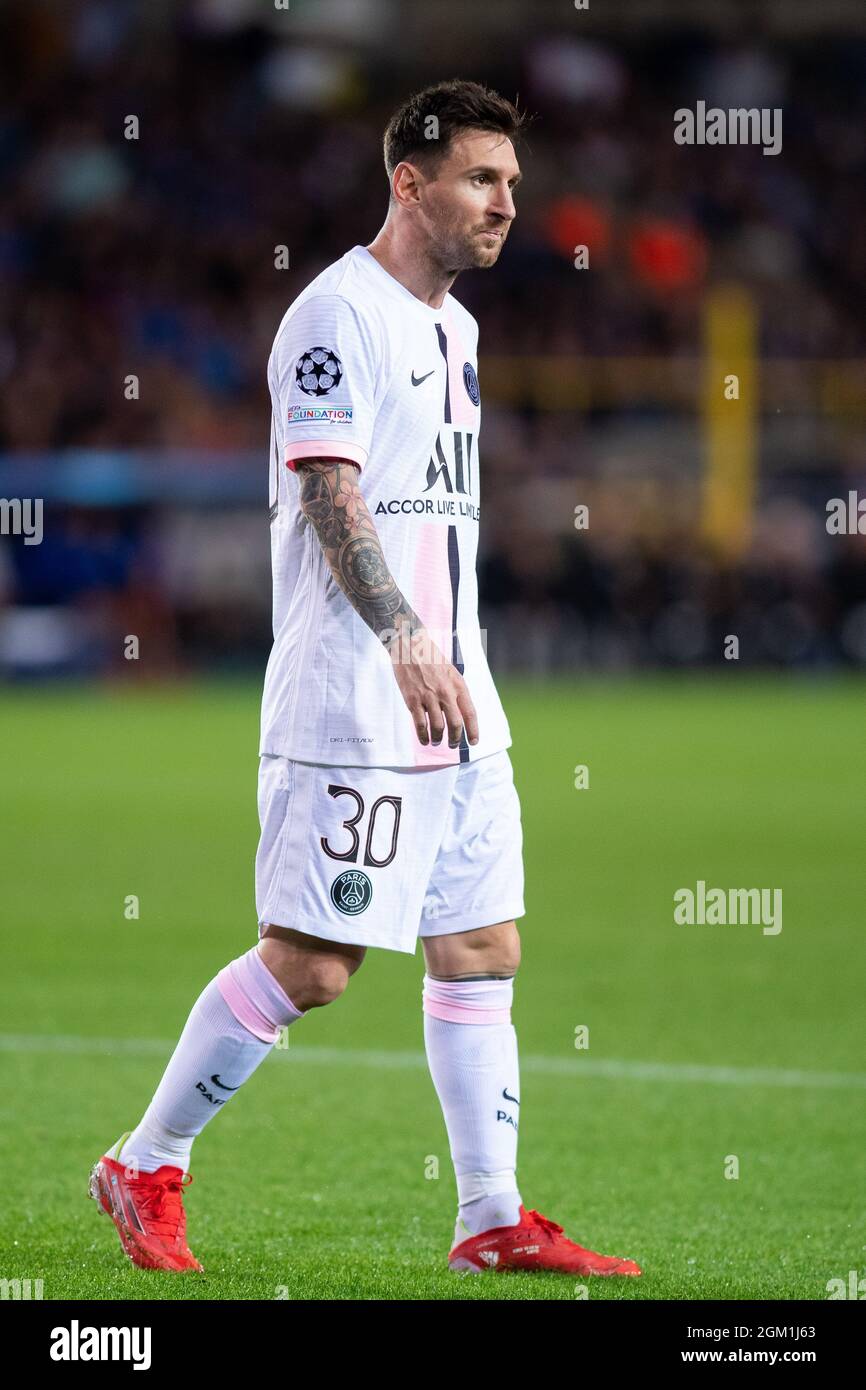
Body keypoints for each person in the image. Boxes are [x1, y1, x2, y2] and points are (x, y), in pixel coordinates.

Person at [89, 78, 641, 1280]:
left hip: (461, 697)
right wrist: (400, 634)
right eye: (481, 181)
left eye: (511, 185)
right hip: (358, 693)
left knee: (480, 945)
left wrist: (445, 654)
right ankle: (146, 1159)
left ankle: (489, 1213)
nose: (506, 205)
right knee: (315, 964)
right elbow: (332, 493)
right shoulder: (335, 314)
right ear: (409, 180)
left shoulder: (459, 328)